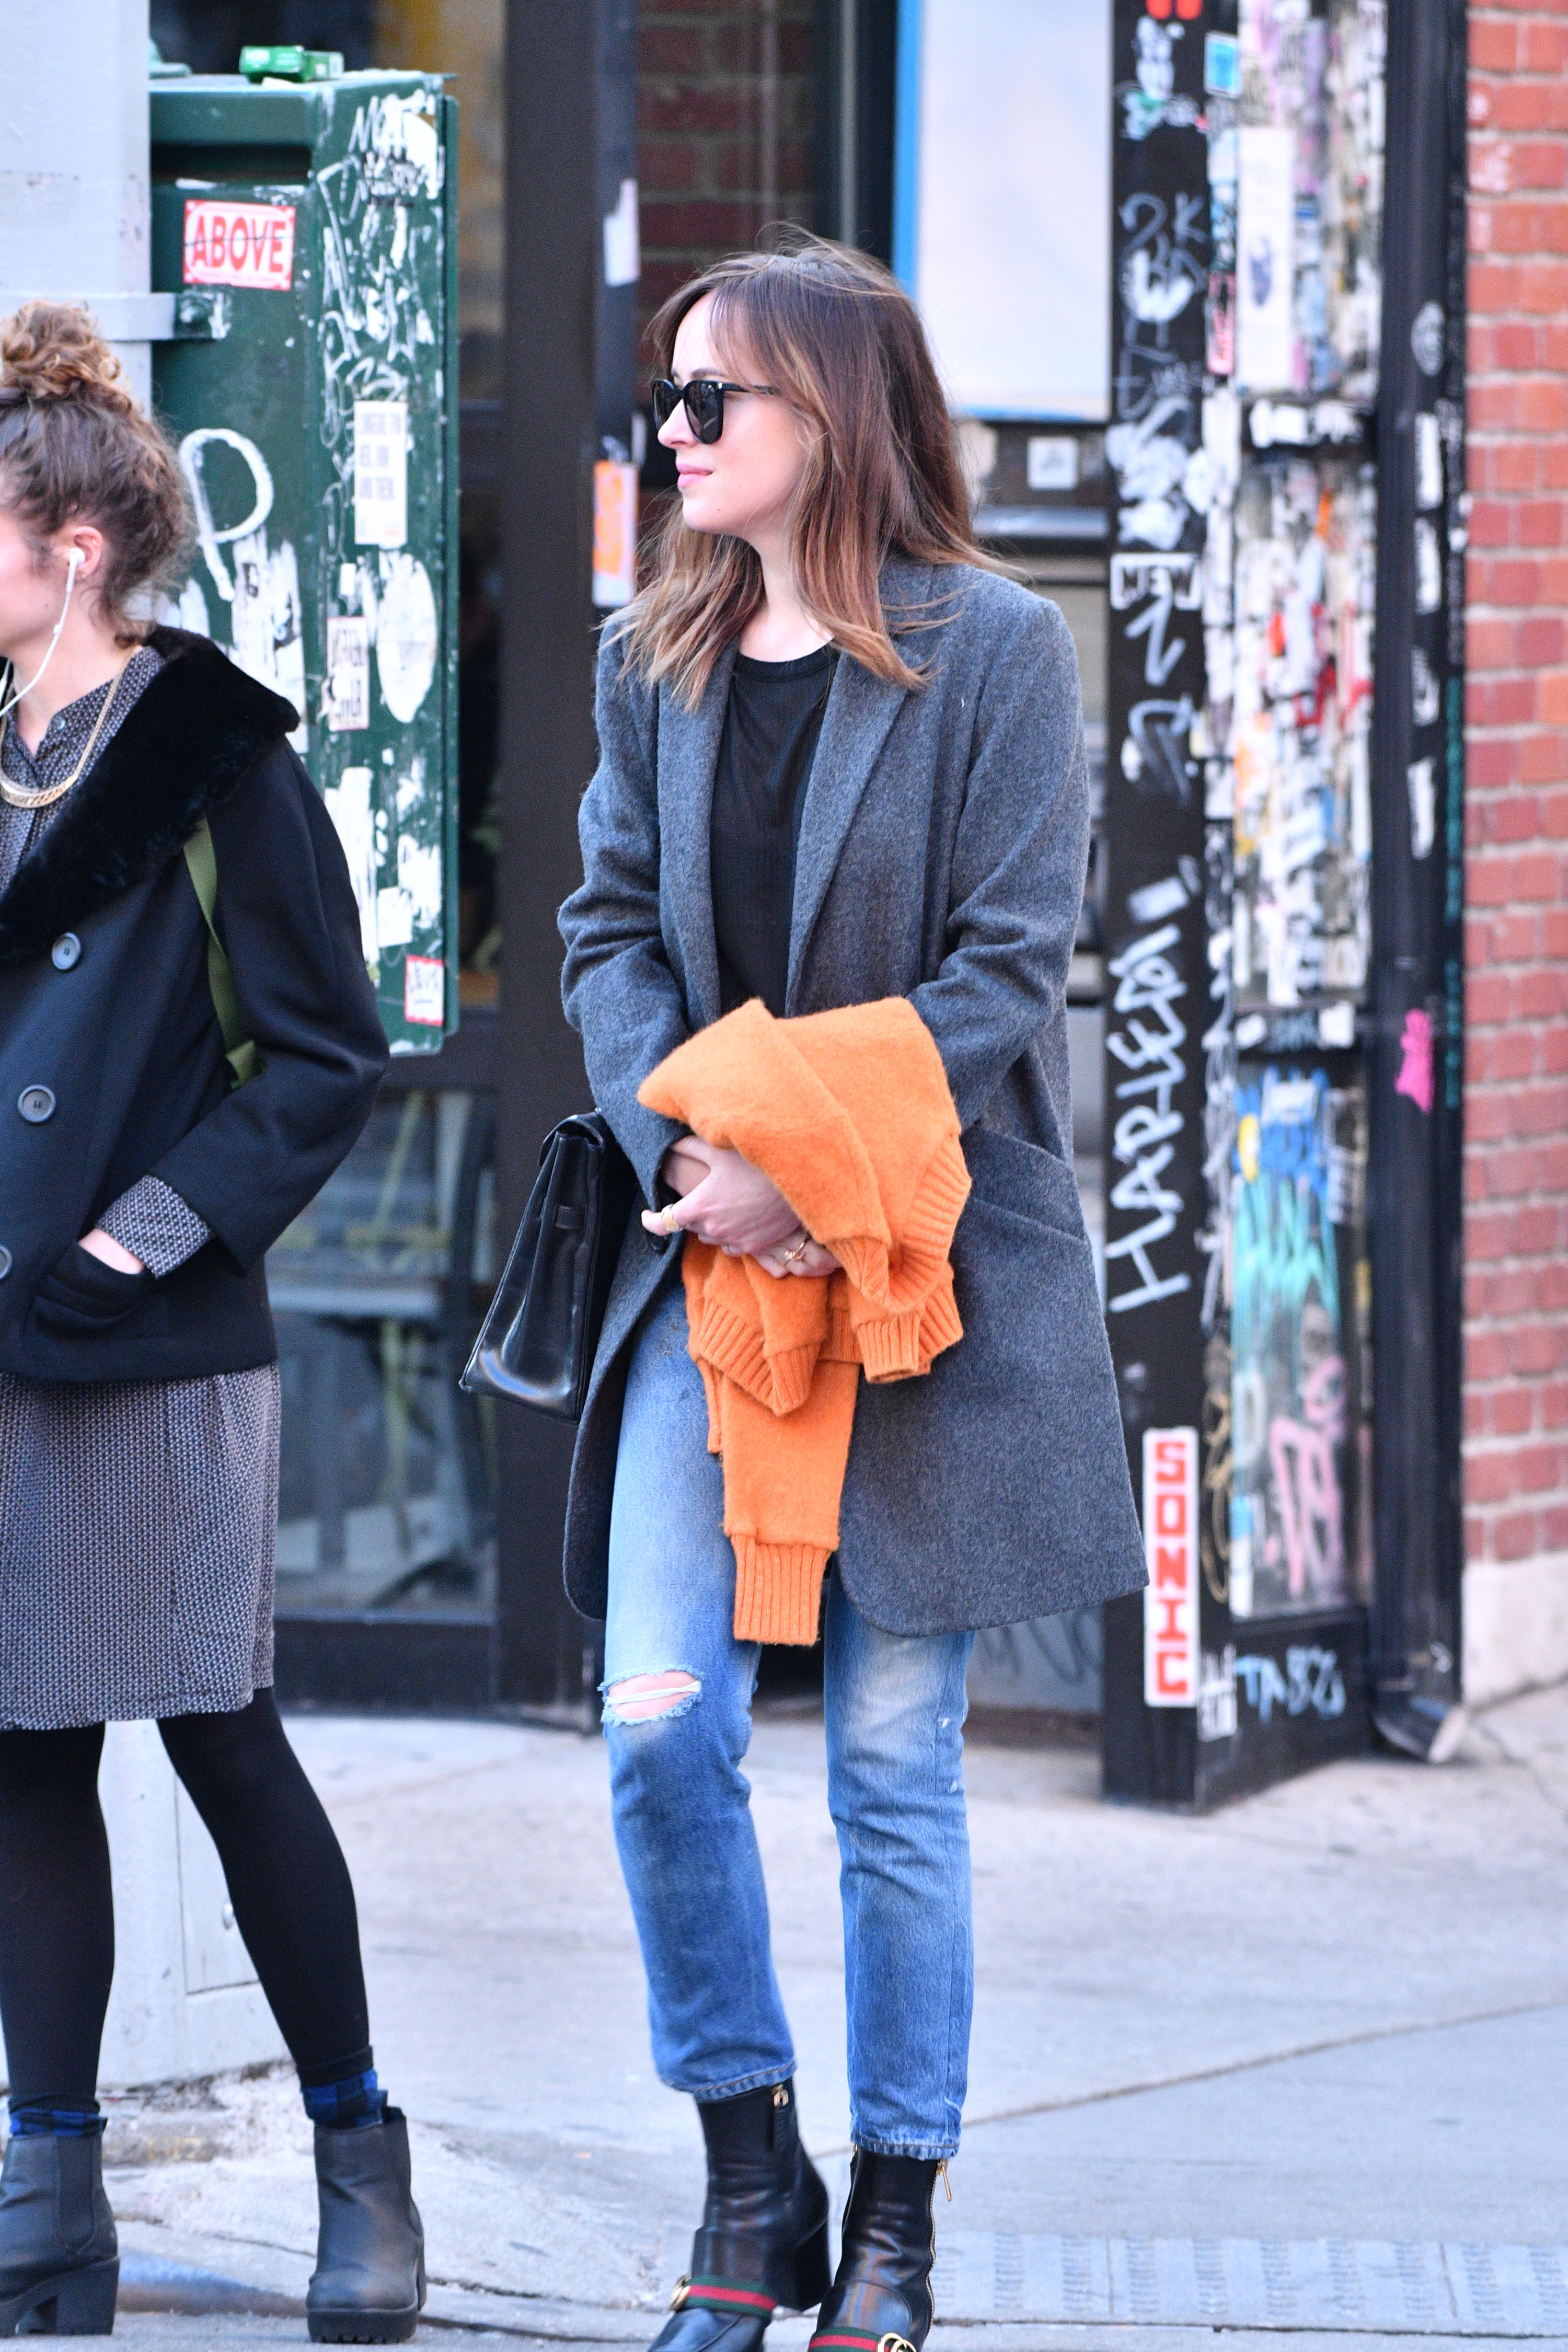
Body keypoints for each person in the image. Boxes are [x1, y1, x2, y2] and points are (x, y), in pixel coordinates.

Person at [558, 236, 1145, 2352]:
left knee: (894, 1771)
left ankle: (894, 2217)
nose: (674, 432)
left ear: (831, 416)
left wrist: (802, 1169)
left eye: (712, 398)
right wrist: (694, 1158)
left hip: (920, 1282)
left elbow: (1008, 970)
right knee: (658, 1730)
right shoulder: (656, 654)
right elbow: (605, 930)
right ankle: (752, 2169)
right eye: (668, 395)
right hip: (707, 1270)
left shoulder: (995, 654)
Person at [0, 303, 423, 2344]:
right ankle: (48, 2190)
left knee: (221, 1740)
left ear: (72, 547)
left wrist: (138, 1240)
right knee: (17, 1755)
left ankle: (361, 2157)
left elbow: (329, 1055)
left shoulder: (214, 758)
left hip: (148, 1340)